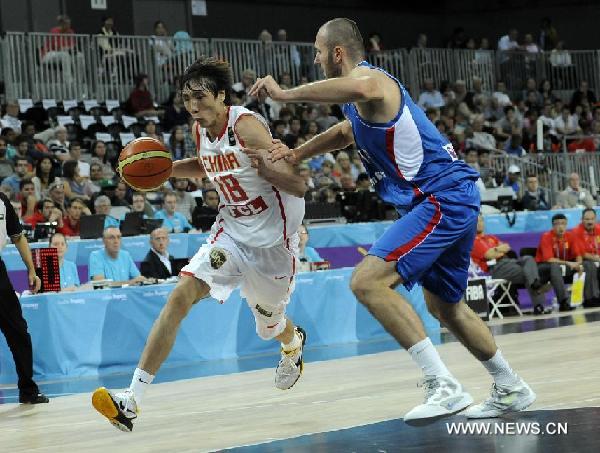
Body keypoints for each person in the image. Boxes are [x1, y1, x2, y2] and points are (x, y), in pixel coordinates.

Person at [254, 18, 535, 421]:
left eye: (318, 52)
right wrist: (295, 155)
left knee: (367, 282)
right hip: (448, 197)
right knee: (447, 308)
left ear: (338, 53)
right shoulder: (358, 103)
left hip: (441, 197)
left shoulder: (372, 81)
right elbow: (344, 133)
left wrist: (285, 95)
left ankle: (444, 386)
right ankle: (511, 386)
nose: (315, 60)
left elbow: (361, 86)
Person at [91, 56, 307, 432]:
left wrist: (269, 169)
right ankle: (131, 401)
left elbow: (299, 184)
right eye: (187, 99)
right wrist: (166, 169)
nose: (193, 106)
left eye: (201, 98)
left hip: (273, 241)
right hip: (232, 231)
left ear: (222, 96)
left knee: (269, 326)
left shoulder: (247, 127)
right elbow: (208, 165)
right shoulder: (198, 130)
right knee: (181, 295)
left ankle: (292, 342)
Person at [0, 192, 49, 404]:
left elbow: (18, 236)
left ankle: (28, 390)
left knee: (18, 331)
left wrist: (31, 269)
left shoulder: (1, 201)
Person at [471, 214, 550, 315]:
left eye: (481, 221)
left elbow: (507, 247)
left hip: (508, 261)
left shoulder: (490, 237)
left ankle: (536, 286)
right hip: (497, 268)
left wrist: (496, 250)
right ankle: (538, 302)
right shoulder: (473, 241)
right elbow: (489, 255)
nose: (480, 223)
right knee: (529, 274)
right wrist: (498, 249)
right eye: (476, 221)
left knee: (528, 258)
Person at [536, 213, 582, 312]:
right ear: (553, 226)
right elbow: (549, 259)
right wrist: (569, 263)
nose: (560, 227)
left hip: (562, 266)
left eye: (563, 224)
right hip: (544, 267)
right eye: (557, 224)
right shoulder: (546, 236)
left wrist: (578, 263)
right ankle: (563, 302)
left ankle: (588, 298)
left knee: (585, 267)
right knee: (555, 266)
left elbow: (578, 254)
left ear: (566, 225)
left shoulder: (570, 236)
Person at [571, 208, 600, 307]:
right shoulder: (576, 232)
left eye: (592, 219)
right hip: (580, 260)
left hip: (596, 258)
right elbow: (582, 253)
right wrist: (597, 259)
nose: (590, 222)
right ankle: (590, 298)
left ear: (595, 219)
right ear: (582, 220)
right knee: (589, 265)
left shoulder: (598, 229)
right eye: (587, 219)